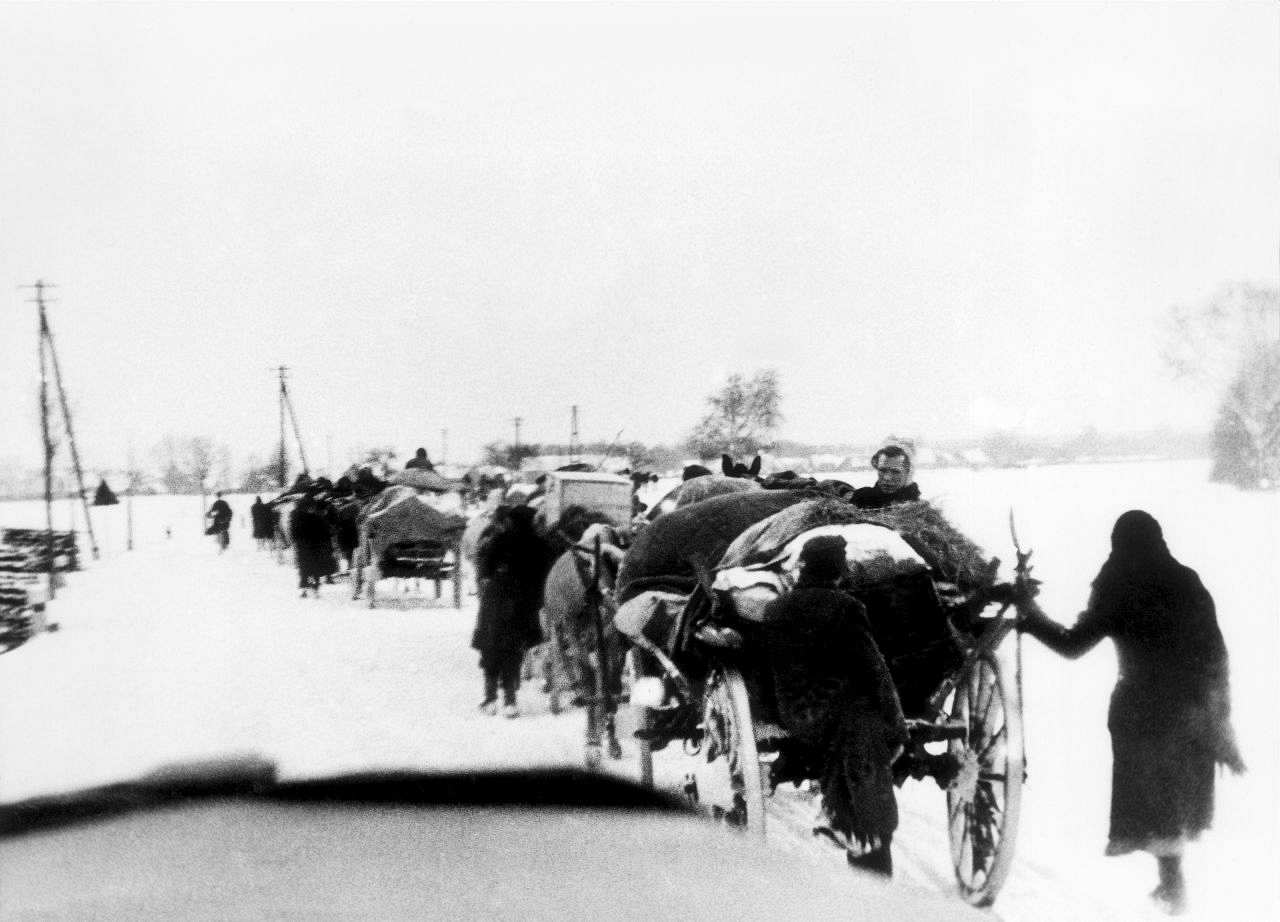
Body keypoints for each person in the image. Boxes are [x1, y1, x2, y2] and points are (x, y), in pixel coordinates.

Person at [1017, 510, 1245, 916]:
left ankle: (1173, 897)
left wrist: (1030, 616)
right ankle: (1174, 893)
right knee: (1171, 807)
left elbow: (1072, 645)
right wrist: (1219, 720)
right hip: (1191, 710)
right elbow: (1217, 654)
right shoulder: (1187, 580)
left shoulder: (1117, 584)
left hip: (1141, 712)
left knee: (1155, 806)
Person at [760, 535, 908, 876]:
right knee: (866, 741)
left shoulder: (775, 608)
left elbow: (765, 670)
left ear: (804, 568)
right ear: (839, 569)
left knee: (850, 731)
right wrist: (896, 724)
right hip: (838, 713)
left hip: (794, 714)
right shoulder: (845, 606)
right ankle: (864, 838)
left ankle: (842, 819)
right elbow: (873, 668)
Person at [471, 505, 553, 718]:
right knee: (513, 652)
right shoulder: (540, 544)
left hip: (496, 600)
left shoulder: (500, 539)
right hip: (523, 605)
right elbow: (546, 577)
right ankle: (510, 701)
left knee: (491, 648)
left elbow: (485, 569)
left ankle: (490, 699)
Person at [289, 489, 338, 598]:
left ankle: (305, 590)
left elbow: (293, 532)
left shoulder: (296, 516)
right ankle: (315, 589)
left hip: (302, 546)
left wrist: (295, 542)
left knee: (304, 567)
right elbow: (325, 531)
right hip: (315, 546)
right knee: (315, 567)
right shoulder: (317, 517)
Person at [851, 446, 920, 508]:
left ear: (907, 473)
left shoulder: (918, 506)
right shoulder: (861, 497)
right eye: (882, 470)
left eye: (895, 472)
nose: (887, 478)